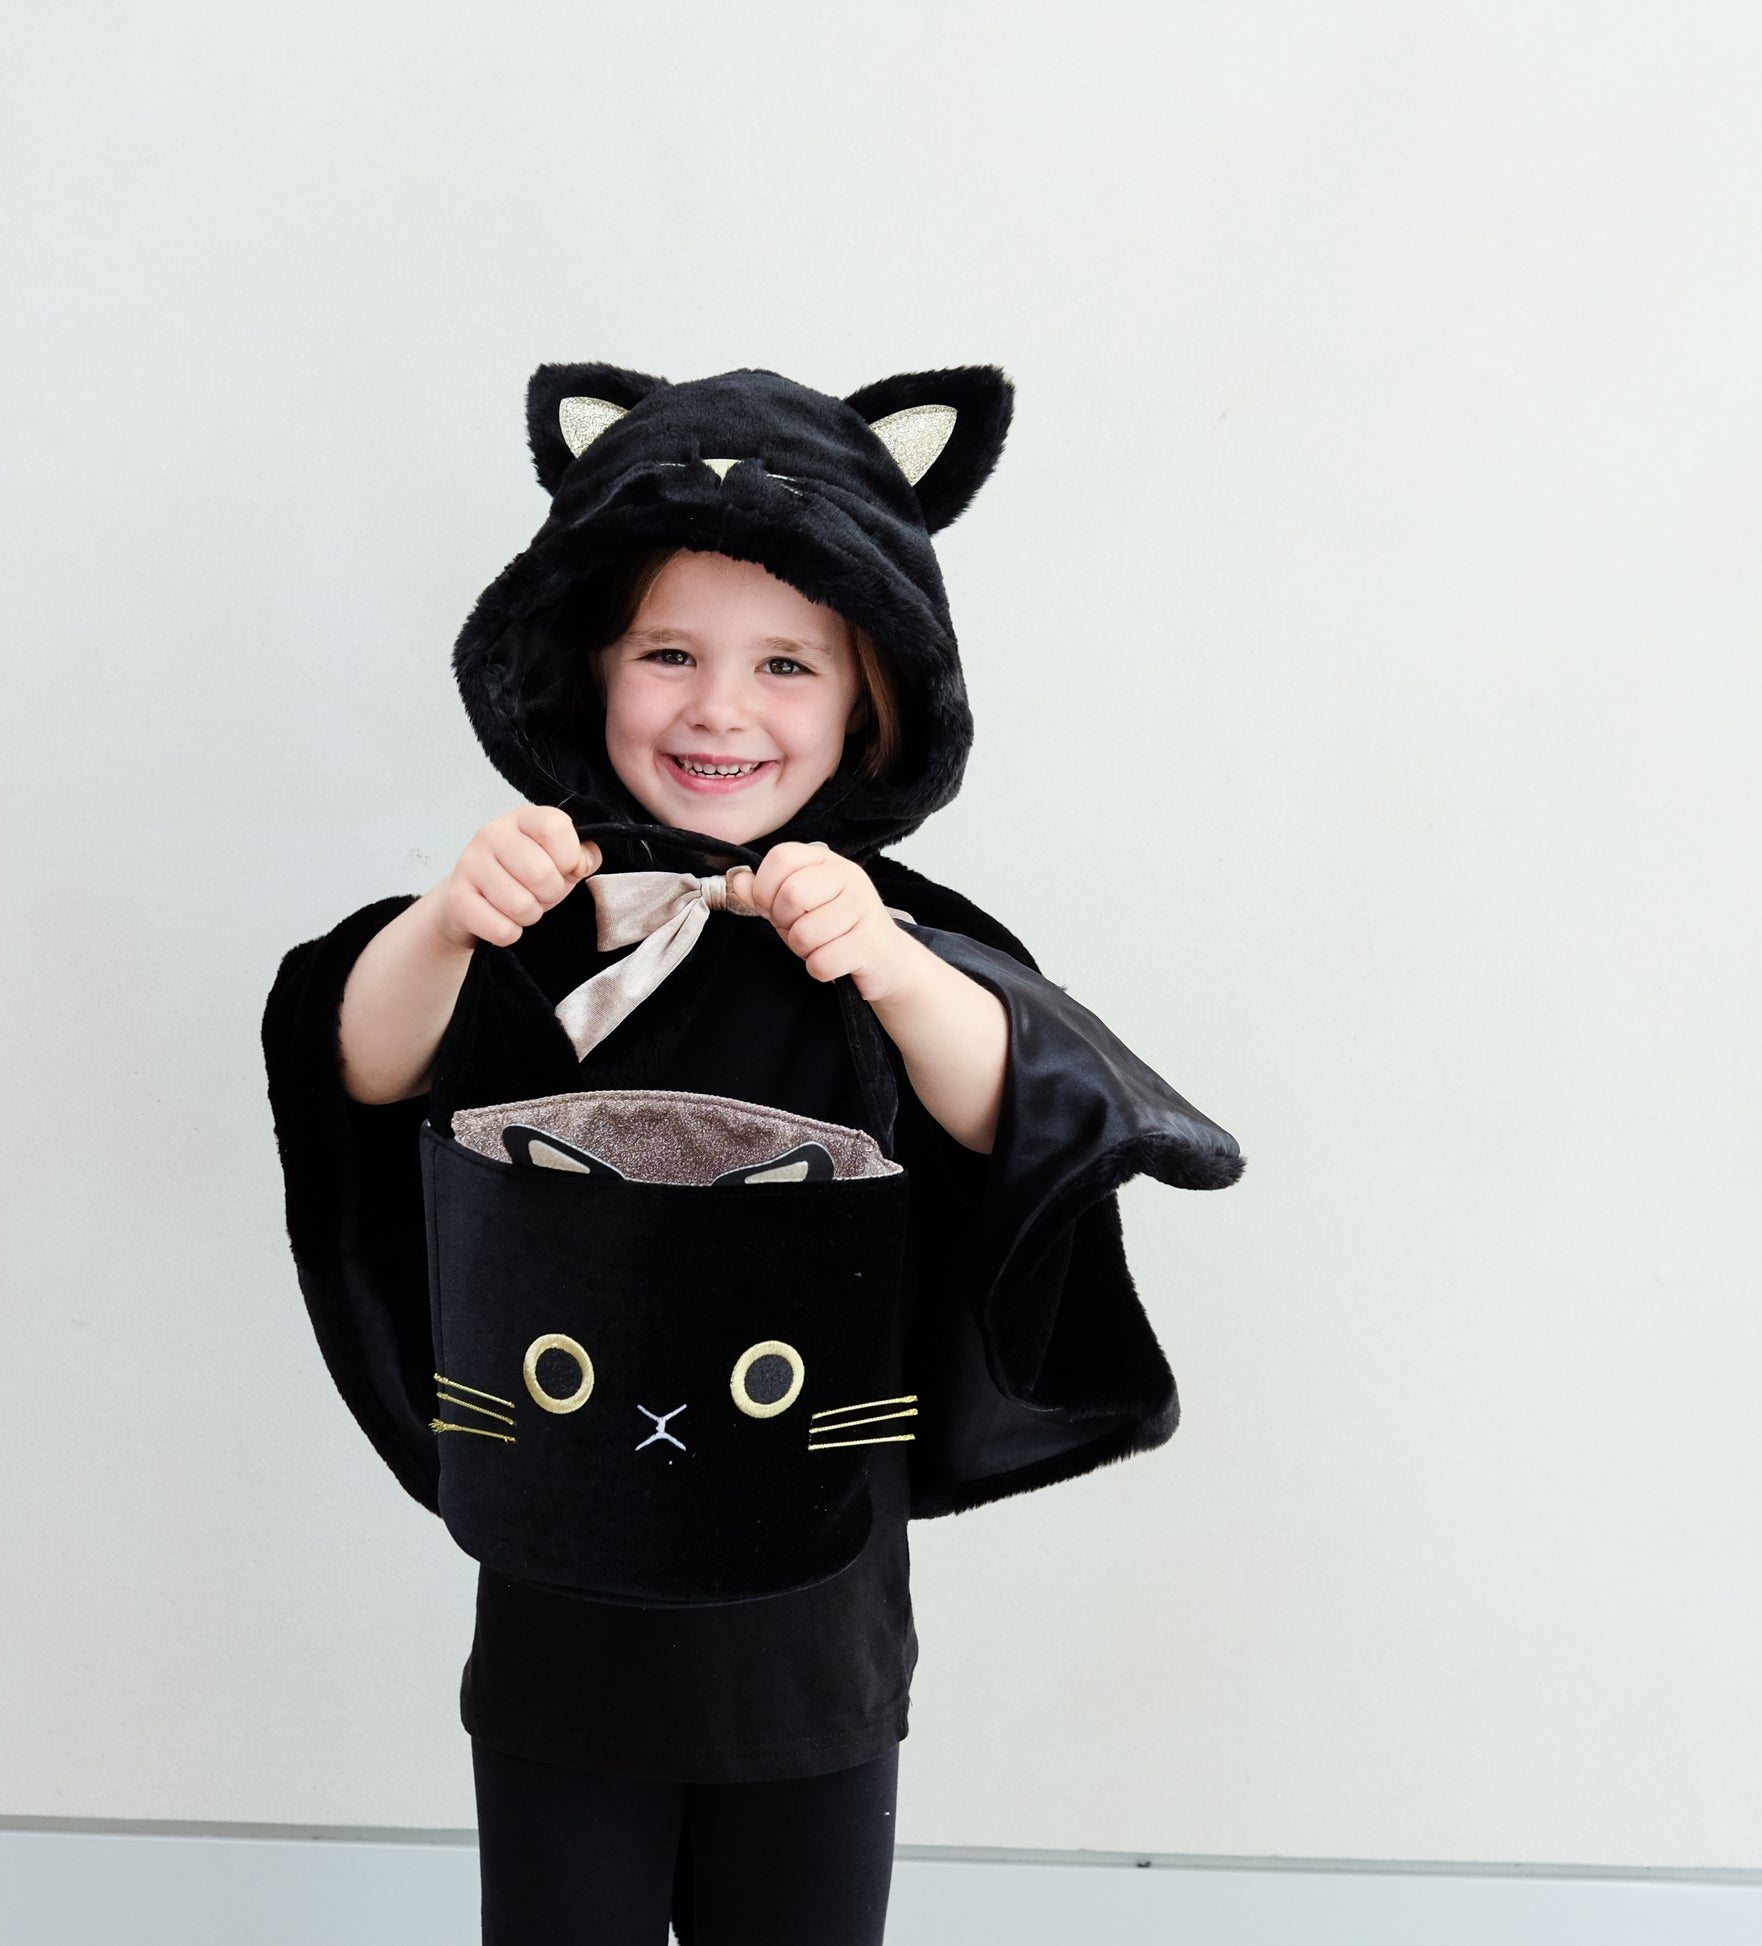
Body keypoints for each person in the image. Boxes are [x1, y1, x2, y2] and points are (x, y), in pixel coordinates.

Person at [261, 363, 1244, 1945]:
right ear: (586, 668)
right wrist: (446, 920)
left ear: (870, 704)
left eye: (786, 663)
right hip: (560, 1606)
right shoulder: (527, 927)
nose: (720, 708)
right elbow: (356, 1066)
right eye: (670, 653)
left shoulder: (899, 955)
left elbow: (1021, 1103)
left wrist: (889, 958)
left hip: (812, 1633)